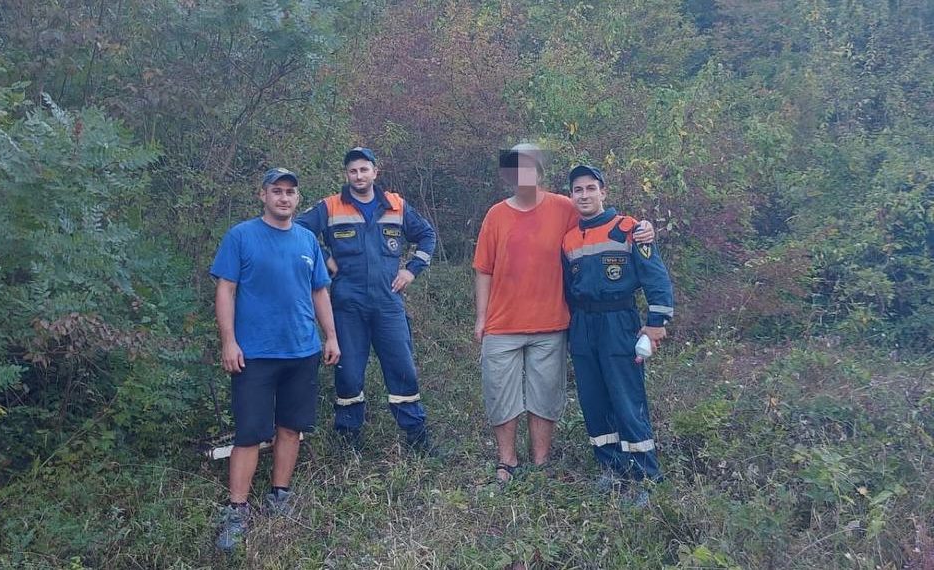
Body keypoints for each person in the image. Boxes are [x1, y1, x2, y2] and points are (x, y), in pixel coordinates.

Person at [472, 144, 655, 483]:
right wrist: (481, 318)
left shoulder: (563, 206)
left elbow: (600, 218)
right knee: (500, 394)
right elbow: (484, 269)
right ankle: (507, 461)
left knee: (546, 394)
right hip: (502, 324)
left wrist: (641, 228)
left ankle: (541, 463)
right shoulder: (495, 215)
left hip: (552, 323)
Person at [210, 167, 340, 551]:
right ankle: (237, 509)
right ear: (263, 195)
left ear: (298, 199)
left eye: (290, 192)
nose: (284, 198)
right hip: (255, 355)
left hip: (302, 351)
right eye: (277, 191)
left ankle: (280, 495)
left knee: (291, 428)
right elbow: (225, 290)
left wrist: (331, 336)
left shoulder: (306, 240)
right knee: (250, 432)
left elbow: (320, 292)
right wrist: (229, 342)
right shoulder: (241, 236)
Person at [296, 147, 437, 453]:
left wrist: (412, 270)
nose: (358, 176)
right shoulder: (331, 207)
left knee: (403, 370)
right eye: (352, 171)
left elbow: (427, 236)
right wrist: (325, 259)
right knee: (348, 374)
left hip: (388, 305)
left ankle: (417, 441)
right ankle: (348, 443)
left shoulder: (396, 206)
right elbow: (298, 232)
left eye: (364, 169)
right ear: (346, 175)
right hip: (348, 306)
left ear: (375, 171)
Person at [561, 164, 674, 507]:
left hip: (619, 323)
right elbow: (567, 288)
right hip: (583, 326)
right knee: (594, 402)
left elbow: (656, 278)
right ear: (571, 196)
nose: (584, 195)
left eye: (590, 188)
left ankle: (645, 477)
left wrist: (656, 323)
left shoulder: (629, 229)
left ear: (603, 192)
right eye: (578, 190)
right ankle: (611, 469)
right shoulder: (568, 239)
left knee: (627, 399)